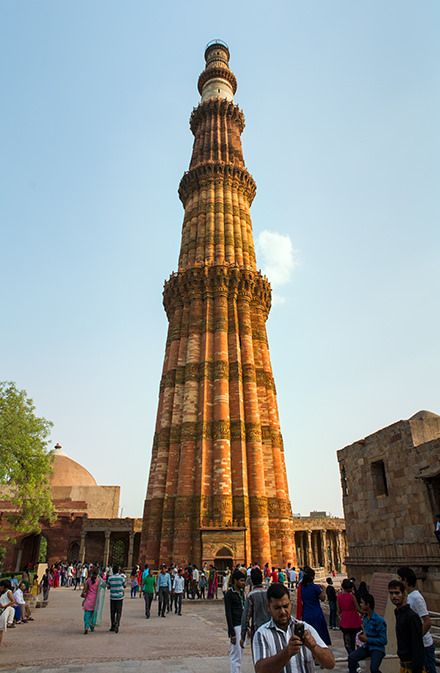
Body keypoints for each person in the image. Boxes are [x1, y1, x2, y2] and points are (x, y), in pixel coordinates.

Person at [252, 582, 335, 673]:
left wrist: (314, 647)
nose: (283, 612)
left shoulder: (306, 628)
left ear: (290, 604)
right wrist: (287, 653)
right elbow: (260, 670)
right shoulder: (262, 634)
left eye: (285, 606)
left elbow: (330, 663)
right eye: (277, 608)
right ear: (268, 608)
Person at [397, 566, 436, 673]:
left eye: (399, 578)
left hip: (424, 645)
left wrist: (416, 639)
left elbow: (427, 622)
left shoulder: (416, 598)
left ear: (405, 580)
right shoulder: (408, 597)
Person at [388, 579, 425, 673]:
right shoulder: (399, 613)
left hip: (413, 666)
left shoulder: (411, 616)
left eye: (397, 593)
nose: (394, 596)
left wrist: (417, 669)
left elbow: (417, 645)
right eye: (391, 593)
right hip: (404, 664)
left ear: (404, 594)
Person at [348, 593, 387, 673]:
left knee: (374, 669)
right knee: (351, 657)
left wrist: (367, 639)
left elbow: (383, 640)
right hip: (367, 647)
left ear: (368, 605)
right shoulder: (365, 618)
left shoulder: (379, 620)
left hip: (377, 648)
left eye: (362, 603)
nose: (360, 605)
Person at [297, 566, 331, 645]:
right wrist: (324, 590)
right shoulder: (315, 587)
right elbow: (323, 598)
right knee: (319, 637)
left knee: (309, 637)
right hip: (316, 614)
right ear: (312, 577)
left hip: (306, 614)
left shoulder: (301, 588)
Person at [240, 567, 271, 648]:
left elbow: (245, 617)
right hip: (270, 629)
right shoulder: (268, 593)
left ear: (251, 580)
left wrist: (242, 636)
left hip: (257, 630)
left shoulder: (251, 595)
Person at [224, 569, 246, 673]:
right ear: (235, 581)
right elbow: (228, 614)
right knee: (235, 654)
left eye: (244, 580)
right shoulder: (229, 594)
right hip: (236, 626)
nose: (243, 583)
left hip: (242, 626)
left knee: (240, 653)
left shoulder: (241, 593)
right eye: (241, 580)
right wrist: (231, 632)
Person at [337, 578, 362, 655]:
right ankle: (354, 655)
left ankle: (350, 654)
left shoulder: (339, 597)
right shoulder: (352, 596)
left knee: (347, 640)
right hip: (354, 619)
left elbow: (338, 610)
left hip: (345, 619)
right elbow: (358, 608)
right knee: (354, 639)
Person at [82, 569, 105, 634]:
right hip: (96, 600)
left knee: (87, 614)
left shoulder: (88, 580)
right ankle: (92, 627)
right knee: (94, 614)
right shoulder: (99, 581)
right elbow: (104, 586)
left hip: (88, 599)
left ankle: (86, 626)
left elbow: (85, 590)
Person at [106, 565, 125, 633]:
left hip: (113, 597)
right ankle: (117, 623)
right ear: (118, 570)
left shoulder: (110, 578)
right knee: (119, 612)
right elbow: (124, 585)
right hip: (120, 597)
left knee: (112, 612)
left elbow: (108, 587)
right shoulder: (121, 578)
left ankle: (112, 626)